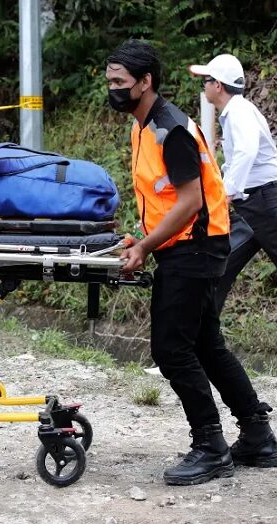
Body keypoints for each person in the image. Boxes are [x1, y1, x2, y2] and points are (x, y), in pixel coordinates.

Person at [105, 39, 277, 486]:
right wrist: (142, 238)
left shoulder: (171, 129)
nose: (113, 89)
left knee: (171, 348)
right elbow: (163, 198)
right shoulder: (142, 126)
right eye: (110, 81)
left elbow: (189, 201)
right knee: (204, 343)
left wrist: (144, 247)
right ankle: (257, 435)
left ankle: (210, 445)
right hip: (185, 244)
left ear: (145, 82)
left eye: (120, 82)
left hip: (196, 247)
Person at [187, 53, 277, 314]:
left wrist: (225, 193)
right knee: (219, 268)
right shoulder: (234, 112)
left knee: (219, 266)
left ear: (218, 85)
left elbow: (246, 151)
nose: (203, 87)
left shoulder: (238, 111)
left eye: (205, 81)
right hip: (251, 205)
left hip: (265, 201)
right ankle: (204, 331)